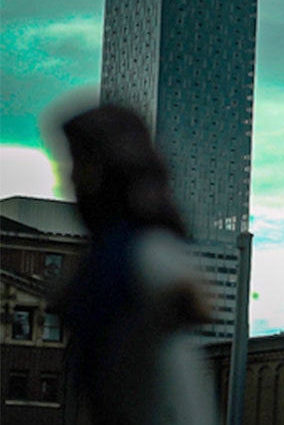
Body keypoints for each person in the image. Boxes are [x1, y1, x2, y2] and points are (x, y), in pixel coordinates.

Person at [53, 105, 218, 425]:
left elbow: (192, 296)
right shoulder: (109, 254)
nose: (71, 176)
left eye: (79, 162)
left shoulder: (142, 247)